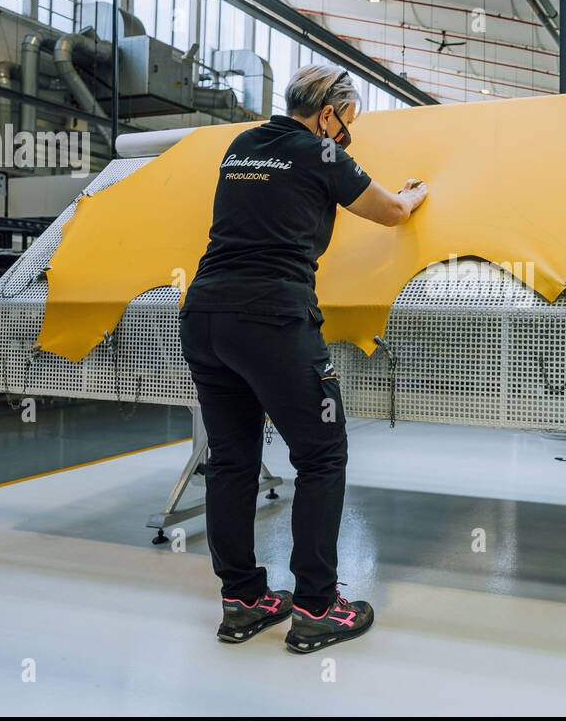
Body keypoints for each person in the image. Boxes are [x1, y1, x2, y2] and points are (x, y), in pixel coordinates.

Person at [179, 64, 428, 653]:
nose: (348, 132)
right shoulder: (322, 153)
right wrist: (416, 193)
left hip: (204, 315)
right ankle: (317, 607)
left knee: (232, 460)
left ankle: (242, 601)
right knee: (321, 456)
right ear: (327, 114)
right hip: (273, 318)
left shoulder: (242, 145)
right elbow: (390, 212)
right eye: (349, 119)